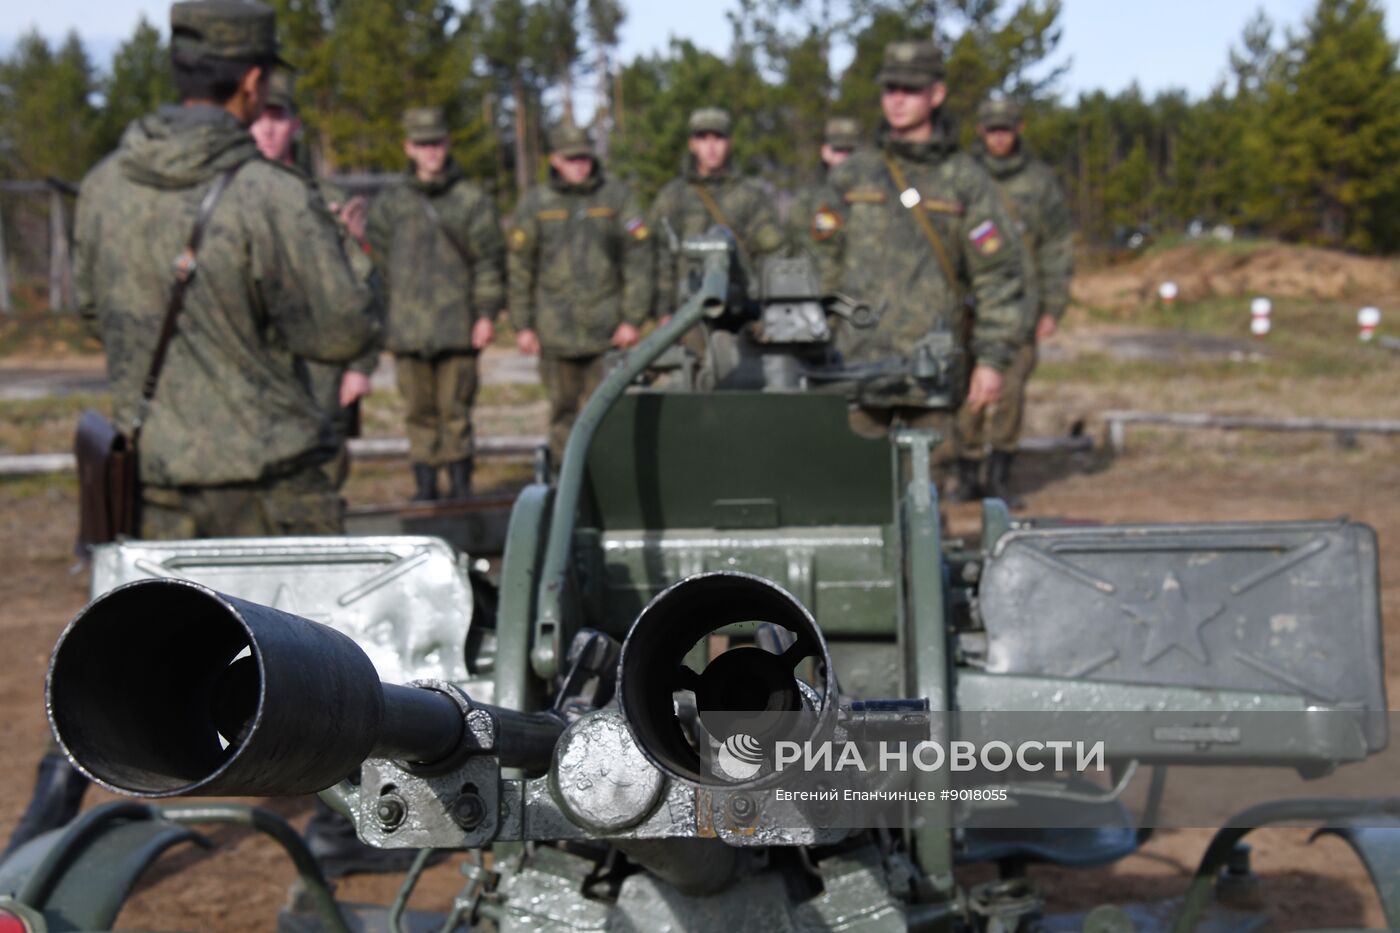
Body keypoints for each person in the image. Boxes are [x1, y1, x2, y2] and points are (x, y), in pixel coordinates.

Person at [6, 0, 382, 860]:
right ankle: (340, 823)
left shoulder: (103, 185)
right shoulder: (270, 195)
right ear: (252, 81)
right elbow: (341, 332)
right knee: (327, 646)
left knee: (132, 644)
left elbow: (97, 308)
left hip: (158, 473)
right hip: (275, 481)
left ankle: (50, 813)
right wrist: (348, 252)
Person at [806, 39, 1025, 449]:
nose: (898, 100)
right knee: (854, 502)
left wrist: (992, 361)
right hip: (853, 369)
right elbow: (820, 267)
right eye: (891, 89)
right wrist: (811, 348)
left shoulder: (965, 180)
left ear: (936, 94)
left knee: (925, 503)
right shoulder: (852, 177)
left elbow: (998, 277)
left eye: (911, 90)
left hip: (933, 375)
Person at [249, 65, 380, 488]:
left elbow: (363, 286)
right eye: (259, 119)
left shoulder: (329, 201)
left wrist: (359, 365)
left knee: (323, 472)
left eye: (278, 119)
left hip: (321, 365)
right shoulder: (230, 199)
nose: (267, 131)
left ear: (295, 125)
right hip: (252, 361)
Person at [366, 106, 505, 501]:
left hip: (458, 326)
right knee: (418, 414)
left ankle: (461, 489)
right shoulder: (392, 203)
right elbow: (377, 268)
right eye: (423, 145)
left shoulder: (470, 200)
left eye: (437, 143)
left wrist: (486, 314)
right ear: (409, 148)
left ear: (448, 144)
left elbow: (489, 262)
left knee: (456, 412)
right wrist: (382, 321)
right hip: (407, 330)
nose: (431, 152)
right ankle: (425, 489)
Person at [953, 97, 1074, 504]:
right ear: (981, 131)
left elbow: (1056, 247)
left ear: (1019, 129)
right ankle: (967, 470)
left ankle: (1001, 475)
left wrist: (1053, 306)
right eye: (992, 129)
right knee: (965, 392)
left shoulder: (1039, 183)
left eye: (1005, 129)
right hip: (966, 307)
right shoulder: (962, 176)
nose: (998, 136)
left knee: (1011, 392)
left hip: (1021, 304)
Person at [507, 126, 651, 466]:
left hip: (608, 330)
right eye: (571, 159)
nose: (580, 165)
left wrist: (633, 317)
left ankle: (608, 481)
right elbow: (520, 267)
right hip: (555, 332)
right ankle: (565, 483)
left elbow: (638, 259)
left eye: (585, 157)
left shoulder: (616, 198)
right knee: (562, 413)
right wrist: (522, 324)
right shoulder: (536, 203)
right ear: (555, 160)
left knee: (609, 412)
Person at [649, 107, 785, 314]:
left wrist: (771, 307)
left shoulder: (749, 195)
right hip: (688, 313)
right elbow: (662, 256)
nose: (711, 147)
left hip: (744, 308)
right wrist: (664, 313)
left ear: (729, 143)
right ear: (692, 145)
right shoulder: (673, 196)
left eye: (718, 138)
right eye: (703, 138)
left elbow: (773, 252)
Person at [785, 116, 860, 255]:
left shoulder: (870, 193)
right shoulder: (808, 198)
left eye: (850, 151)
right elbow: (796, 243)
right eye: (838, 150)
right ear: (825, 152)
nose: (845, 157)